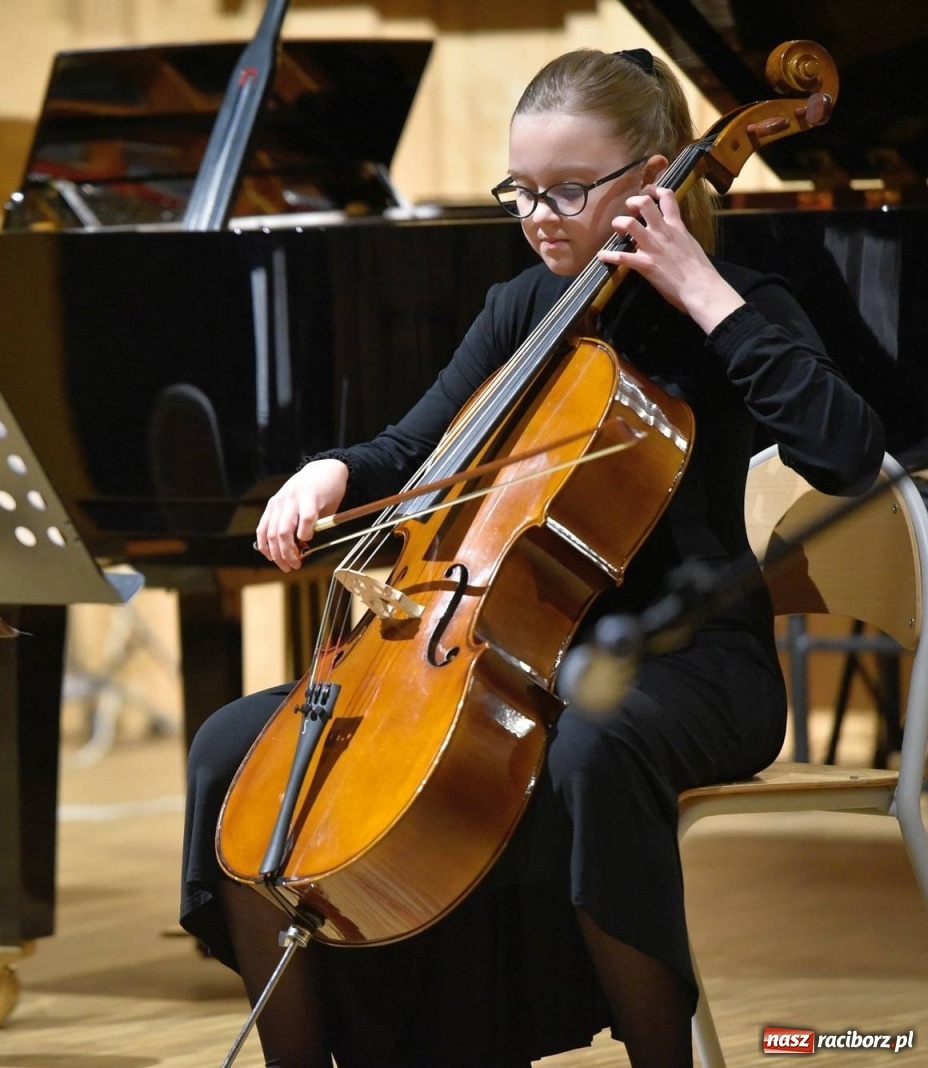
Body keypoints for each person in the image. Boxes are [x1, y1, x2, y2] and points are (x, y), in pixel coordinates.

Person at [181, 47, 884, 1068]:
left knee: (590, 745)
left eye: (567, 190)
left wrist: (701, 291)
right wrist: (329, 472)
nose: (539, 216)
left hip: (687, 663)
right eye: (521, 190)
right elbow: (412, 449)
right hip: (497, 652)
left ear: (651, 179)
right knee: (233, 749)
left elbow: (846, 452)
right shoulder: (524, 308)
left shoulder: (739, 304)